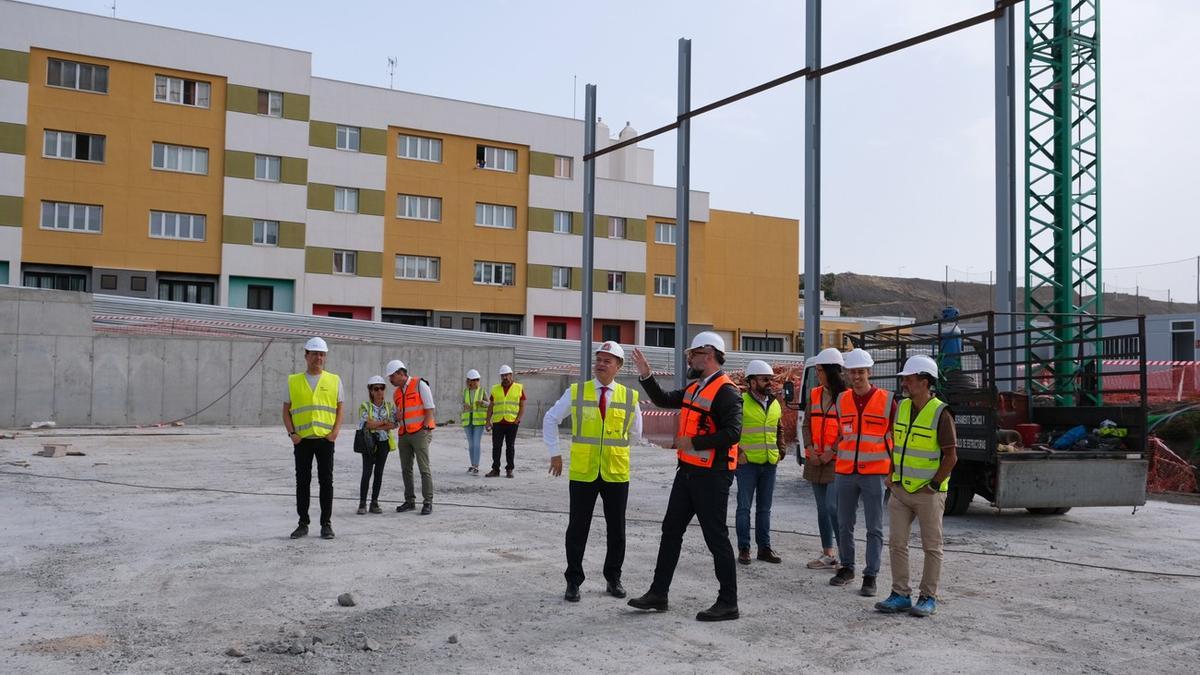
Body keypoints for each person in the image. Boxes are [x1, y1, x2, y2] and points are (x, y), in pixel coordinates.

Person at [627, 332, 743, 622]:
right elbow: (664, 399)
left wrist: (693, 443)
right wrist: (647, 376)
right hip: (688, 472)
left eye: (693, 353)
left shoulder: (727, 391)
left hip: (712, 476)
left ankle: (729, 602)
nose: (689, 358)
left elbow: (733, 433)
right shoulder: (696, 389)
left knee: (716, 538)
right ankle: (658, 593)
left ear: (710, 354)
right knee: (671, 532)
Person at [544, 342, 643, 602]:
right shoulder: (577, 391)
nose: (601, 364)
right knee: (577, 528)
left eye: (607, 361)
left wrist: (616, 452)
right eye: (599, 359)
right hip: (583, 472)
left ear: (618, 367)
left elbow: (635, 435)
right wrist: (555, 452)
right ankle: (573, 581)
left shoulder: (629, 397)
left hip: (616, 472)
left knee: (617, 529)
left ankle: (613, 578)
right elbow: (551, 418)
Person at [875, 355, 958, 618]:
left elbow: (951, 456)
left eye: (909, 379)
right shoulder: (902, 407)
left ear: (924, 381)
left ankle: (927, 597)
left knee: (931, 546)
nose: (905, 383)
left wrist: (933, 486)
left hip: (927, 493)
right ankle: (900, 594)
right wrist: (891, 475)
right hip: (900, 489)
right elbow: (897, 445)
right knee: (896, 543)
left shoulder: (941, 413)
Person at [829, 348, 896, 597]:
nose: (856, 376)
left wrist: (893, 470)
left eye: (861, 372)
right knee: (844, 522)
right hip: (845, 471)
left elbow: (895, 439)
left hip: (874, 473)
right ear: (847, 374)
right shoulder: (841, 400)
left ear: (870, 372)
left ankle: (871, 575)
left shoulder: (888, 401)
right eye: (852, 372)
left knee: (874, 527)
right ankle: (847, 567)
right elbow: (841, 434)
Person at [282, 336, 344, 540]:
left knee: (327, 482)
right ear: (306, 355)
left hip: (325, 441)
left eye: (322, 354)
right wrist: (292, 434)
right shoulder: (293, 381)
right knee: (303, 482)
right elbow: (286, 410)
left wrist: (334, 433)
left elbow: (340, 408)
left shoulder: (334, 380)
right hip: (303, 441)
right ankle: (303, 523)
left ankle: (326, 524)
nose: (319, 357)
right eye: (315, 353)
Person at [735, 360, 786, 566]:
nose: (769, 383)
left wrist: (781, 450)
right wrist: (738, 452)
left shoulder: (774, 403)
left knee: (765, 509)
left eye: (770, 379)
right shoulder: (740, 401)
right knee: (744, 508)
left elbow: (779, 428)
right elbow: (731, 428)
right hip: (746, 464)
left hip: (769, 463)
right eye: (765, 379)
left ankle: (764, 548)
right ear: (752, 381)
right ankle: (744, 548)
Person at [801, 348, 846, 570]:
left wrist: (832, 452)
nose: (817, 374)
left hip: (835, 461)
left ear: (831, 371)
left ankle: (845, 556)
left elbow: (848, 429)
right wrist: (809, 448)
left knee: (832, 507)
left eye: (820, 370)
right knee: (821, 509)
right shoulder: (816, 393)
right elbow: (806, 423)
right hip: (815, 459)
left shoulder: (846, 397)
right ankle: (828, 553)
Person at [386, 359, 436, 515]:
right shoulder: (396, 394)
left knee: (424, 468)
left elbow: (430, 408)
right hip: (404, 434)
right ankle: (410, 501)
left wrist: (425, 429)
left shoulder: (420, 384)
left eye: (392, 376)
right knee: (406, 469)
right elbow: (398, 415)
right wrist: (397, 417)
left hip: (420, 433)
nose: (390, 380)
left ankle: (428, 501)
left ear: (401, 373)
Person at [357, 375, 396, 514]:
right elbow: (367, 424)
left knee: (379, 473)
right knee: (367, 472)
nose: (380, 391)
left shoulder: (389, 406)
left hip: (383, 443)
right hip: (368, 443)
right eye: (376, 389)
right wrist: (383, 423)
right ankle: (362, 503)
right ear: (371, 391)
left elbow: (393, 424)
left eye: (382, 388)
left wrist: (377, 425)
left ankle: (374, 502)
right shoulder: (365, 406)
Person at [485, 365, 525, 478]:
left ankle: (509, 469)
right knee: (496, 446)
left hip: (512, 423)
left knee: (510, 446)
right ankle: (495, 469)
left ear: (511, 375)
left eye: (507, 375)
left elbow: (522, 405)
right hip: (498, 422)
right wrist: (488, 421)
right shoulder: (495, 389)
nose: (505, 377)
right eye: (503, 375)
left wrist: (518, 419)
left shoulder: (518, 388)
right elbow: (491, 406)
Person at [461, 369, 489, 474]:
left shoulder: (482, 391)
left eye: (477, 380)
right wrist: (464, 406)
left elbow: (490, 404)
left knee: (476, 443)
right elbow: (461, 404)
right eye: (474, 380)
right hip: (468, 421)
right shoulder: (465, 392)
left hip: (479, 421)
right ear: (469, 381)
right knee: (471, 444)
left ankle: (476, 465)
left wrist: (482, 402)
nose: (476, 382)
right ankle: (472, 465)